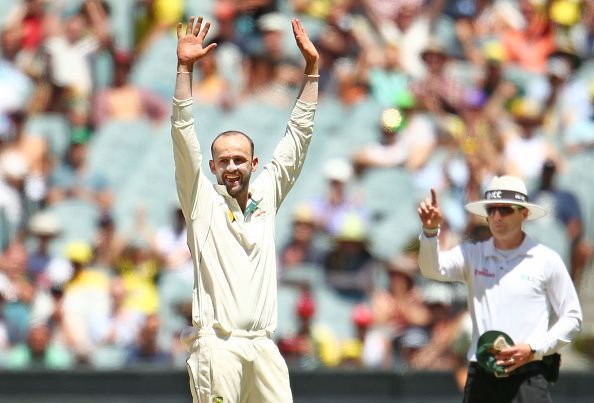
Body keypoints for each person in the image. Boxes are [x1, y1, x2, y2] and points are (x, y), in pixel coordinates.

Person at [171, 16, 319, 403]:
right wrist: (185, 70)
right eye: (224, 161)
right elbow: (183, 136)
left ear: (254, 165)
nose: (232, 167)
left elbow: (297, 141)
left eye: (240, 160)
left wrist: (312, 72)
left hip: (264, 347)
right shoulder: (201, 201)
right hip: (219, 347)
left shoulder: (266, 195)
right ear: (213, 168)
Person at [417, 175, 582, 403]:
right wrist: (429, 231)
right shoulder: (473, 254)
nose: (496, 217)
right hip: (482, 377)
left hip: (529, 376)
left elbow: (572, 317)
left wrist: (534, 349)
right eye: (491, 210)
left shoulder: (546, 259)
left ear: (523, 213)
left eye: (505, 210)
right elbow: (431, 269)